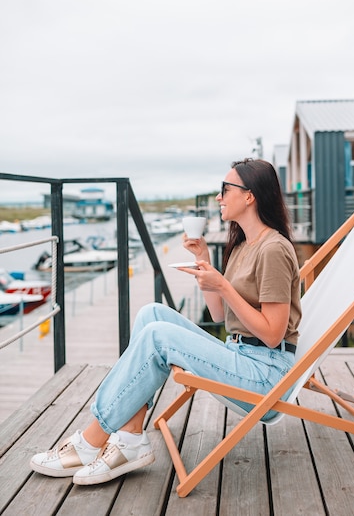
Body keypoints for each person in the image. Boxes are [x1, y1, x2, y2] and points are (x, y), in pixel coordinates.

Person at [30, 158, 301, 485]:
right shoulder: (244, 246)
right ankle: (130, 438)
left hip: (266, 377)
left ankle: (90, 440)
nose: (218, 198)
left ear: (249, 196)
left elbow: (273, 334)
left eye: (225, 189)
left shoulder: (273, 249)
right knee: (151, 314)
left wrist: (224, 286)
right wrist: (204, 260)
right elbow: (220, 316)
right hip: (241, 355)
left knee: (158, 336)